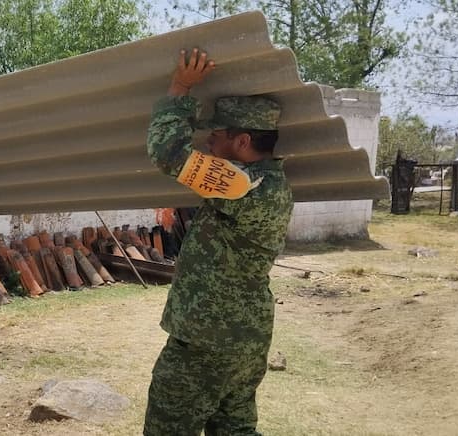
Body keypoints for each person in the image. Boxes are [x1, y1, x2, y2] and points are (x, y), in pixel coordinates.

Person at [143, 48, 294, 435]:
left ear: (243, 141)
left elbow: (169, 153)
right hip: (243, 338)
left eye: (218, 133)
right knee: (234, 429)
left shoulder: (242, 184)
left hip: (206, 341)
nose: (209, 139)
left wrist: (180, 87)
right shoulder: (273, 183)